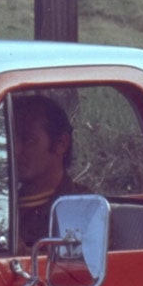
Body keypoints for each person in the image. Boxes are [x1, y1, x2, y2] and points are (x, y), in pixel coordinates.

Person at [11, 93, 89, 247]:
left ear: (61, 144)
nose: (15, 150)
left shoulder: (84, 208)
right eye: (13, 140)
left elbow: (73, 269)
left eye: (29, 140)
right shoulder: (3, 201)